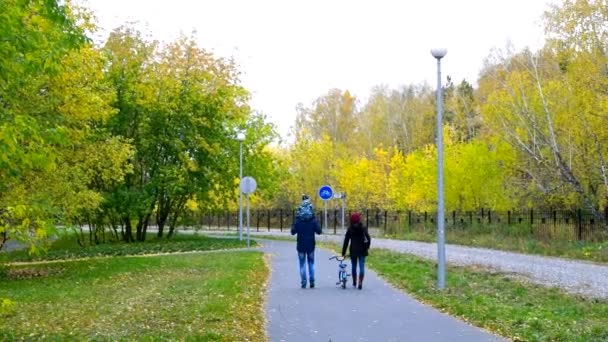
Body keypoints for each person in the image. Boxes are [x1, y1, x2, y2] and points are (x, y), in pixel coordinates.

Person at [291, 194, 322, 288]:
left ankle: (303, 281)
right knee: (311, 263)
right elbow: (319, 231)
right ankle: (312, 280)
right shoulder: (313, 220)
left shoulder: (298, 219)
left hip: (300, 245)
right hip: (311, 245)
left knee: (302, 264)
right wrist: (316, 223)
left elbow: (292, 232)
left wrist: (295, 224)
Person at [342, 212, 371, 289]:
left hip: (353, 250)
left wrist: (343, 252)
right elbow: (368, 238)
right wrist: (367, 247)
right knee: (362, 266)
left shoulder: (350, 229)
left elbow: (346, 241)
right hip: (362, 250)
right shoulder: (363, 228)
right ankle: (360, 282)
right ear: (359, 220)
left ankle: (354, 281)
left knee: (354, 266)